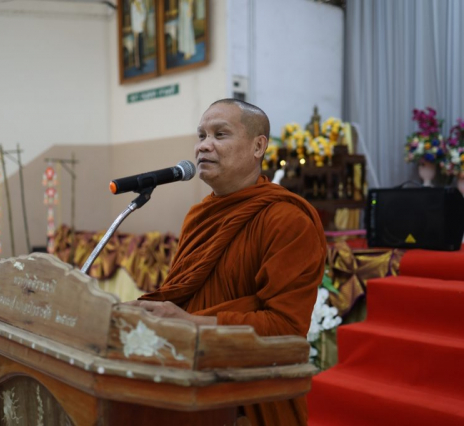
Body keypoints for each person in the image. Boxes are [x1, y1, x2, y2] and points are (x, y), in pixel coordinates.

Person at [127, 99, 327, 426]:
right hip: (188, 380)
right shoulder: (199, 216)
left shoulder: (287, 219)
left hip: (248, 394)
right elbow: (183, 292)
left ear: (258, 146)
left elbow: (286, 329)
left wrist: (190, 323)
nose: (204, 146)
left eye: (220, 134)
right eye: (201, 135)